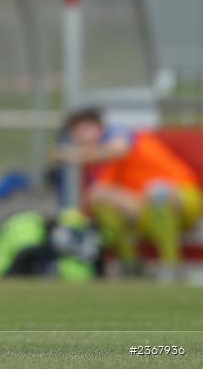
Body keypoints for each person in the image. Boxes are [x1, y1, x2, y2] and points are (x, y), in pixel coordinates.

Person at [55, 108, 202, 279]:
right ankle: (131, 266)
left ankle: (172, 267)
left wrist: (73, 155)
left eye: (81, 132)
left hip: (183, 195)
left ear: (95, 126)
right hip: (142, 208)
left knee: (159, 195)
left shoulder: (118, 133)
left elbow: (119, 150)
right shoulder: (99, 164)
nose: (79, 139)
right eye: (74, 135)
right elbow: (97, 195)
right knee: (105, 207)